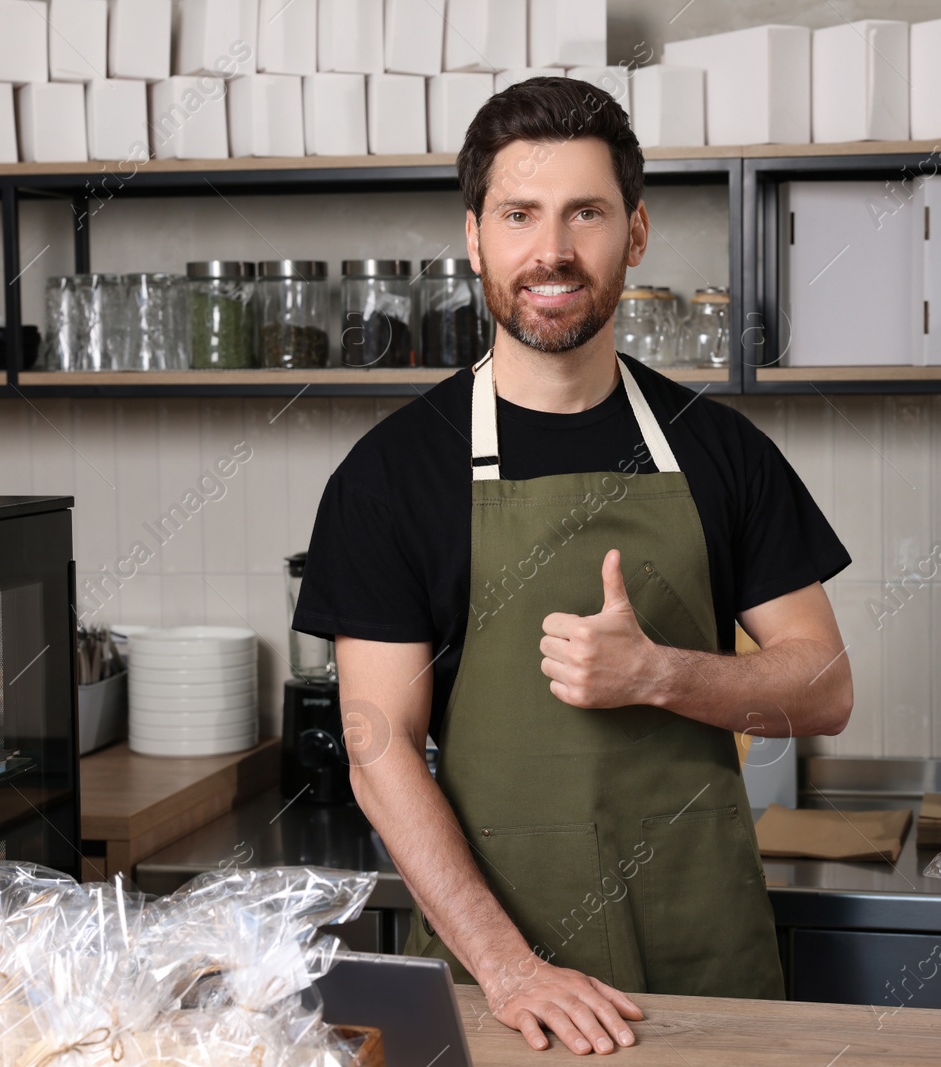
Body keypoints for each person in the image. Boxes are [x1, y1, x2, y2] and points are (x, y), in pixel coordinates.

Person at [293, 77, 853, 1056]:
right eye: (519, 215)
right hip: (503, 984)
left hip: (706, 964)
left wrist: (662, 672)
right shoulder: (391, 474)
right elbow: (379, 749)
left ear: (634, 232)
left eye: (584, 213)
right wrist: (509, 967)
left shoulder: (718, 450)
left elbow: (823, 686)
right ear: (474, 237)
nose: (550, 251)